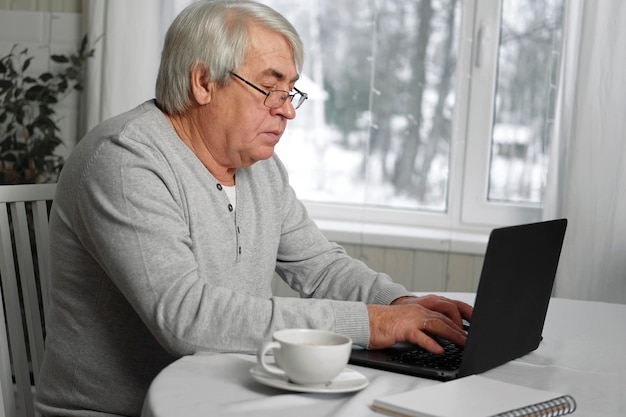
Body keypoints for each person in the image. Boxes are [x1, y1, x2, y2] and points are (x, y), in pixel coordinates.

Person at [36, 1, 472, 415]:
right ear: (203, 83)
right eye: (269, 87)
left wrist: (401, 305)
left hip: (223, 397)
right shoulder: (126, 159)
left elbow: (320, 266)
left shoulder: (259, 168)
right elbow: (186, 318)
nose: (287, 111)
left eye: (290, 91)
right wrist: (368, 322)